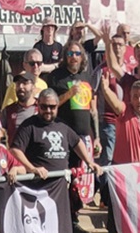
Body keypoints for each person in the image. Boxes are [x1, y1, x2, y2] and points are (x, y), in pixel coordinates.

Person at [10, 89, 102, 222]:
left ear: (57, 106)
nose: (48, 110)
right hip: (38, 190)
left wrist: (89, 162)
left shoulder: (62, 125)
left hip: (60, 189)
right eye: (44, 106)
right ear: (38, 105)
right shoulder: (29, 126)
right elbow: (15, 150)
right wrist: (32, 169)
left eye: (52, 107)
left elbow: (77, 142)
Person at [46, 41, 99, 233]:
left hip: (84, 137)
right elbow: (50, 105)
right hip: (62, 136)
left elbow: (92, 110)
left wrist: (97, 137)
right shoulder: (56, 77)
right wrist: (69, 93)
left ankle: (73, 217)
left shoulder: (86, 76)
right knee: (63, 178)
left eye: (77, 53)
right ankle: (61, 218)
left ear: (82, 56)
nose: (74, 56)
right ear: (65, 55)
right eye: (70, 53)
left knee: (79, 180)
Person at [99, 73, 140, 233]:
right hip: (123, 184)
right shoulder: (125, 113)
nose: (138, 100)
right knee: (123, 229)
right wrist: (105, 89)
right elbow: (115, 104)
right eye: (135, 96)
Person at [91, 32, 127, 166]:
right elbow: (93, 95)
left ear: (125, 48)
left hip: (126, 121)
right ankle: (105, 187)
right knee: (108, 160)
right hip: (108, 122)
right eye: (114, 45)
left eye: (120, 45)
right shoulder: (101, 69)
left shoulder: (130, 69)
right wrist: (95, 123)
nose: (117, 48)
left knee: (123, 159)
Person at [0, 72, 40, 146]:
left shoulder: (41, 108)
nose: (21, 86)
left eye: (25, 83)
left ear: (33, 86)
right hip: (14, 154)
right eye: (18, 83)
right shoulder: (8, 110)